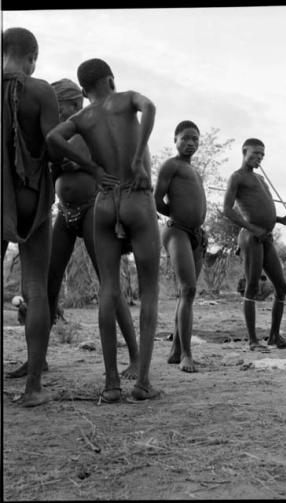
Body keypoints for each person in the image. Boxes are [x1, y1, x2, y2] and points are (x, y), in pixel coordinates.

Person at [6, 78, 140, 380]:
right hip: (64, 213)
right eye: (67, 106)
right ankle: (37, 359)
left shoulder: (87, 127)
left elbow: (105, 160)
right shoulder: (54, 133)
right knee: (48, 284)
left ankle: (134, 355)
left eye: (65, 106)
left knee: (109, 285)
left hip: (93, 208)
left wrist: (78, 163)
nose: (64, 110)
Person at [46, 58, 160, 401]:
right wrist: (138, 158)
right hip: (137, 199)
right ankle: (142, 382)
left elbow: (53, 137)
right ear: (111, 79)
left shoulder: (82, 117)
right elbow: (150, 106)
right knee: (149, 290)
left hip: (105, 201)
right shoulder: (126, 99)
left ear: (83, 90)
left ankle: (111, 384)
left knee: (108, 289)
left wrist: (92, 168)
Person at [2, 27, 60, 407]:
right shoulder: (41, 91)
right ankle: (34, 388)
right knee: (36, 290)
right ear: (32, 58)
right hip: (30, 198)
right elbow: (54, 145)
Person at [223, 138, 286, 351]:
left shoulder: (262, 179)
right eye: (255, 154)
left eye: (262, 155)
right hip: (251, 236)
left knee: (281, 287)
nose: (259, 158)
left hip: (266, 236)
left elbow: (263, 209)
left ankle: (274, 337)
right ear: (244, 152)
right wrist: (252, 228)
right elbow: (228, 210)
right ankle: (253, 340)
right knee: (252, 286)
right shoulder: (236, 177)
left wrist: (282, 220)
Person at [154, 120, 207, 373]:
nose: (190, 143)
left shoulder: (195, 171)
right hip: (177, 231)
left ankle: (176, 349)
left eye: (195, 139)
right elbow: (156, 200)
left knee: (187, 293)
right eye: (185, 138)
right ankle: (187, 354)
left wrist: (197, 226)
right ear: (175, 139)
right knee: (188, 288)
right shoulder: (170, 165)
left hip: (195, 234)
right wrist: (177, 217)